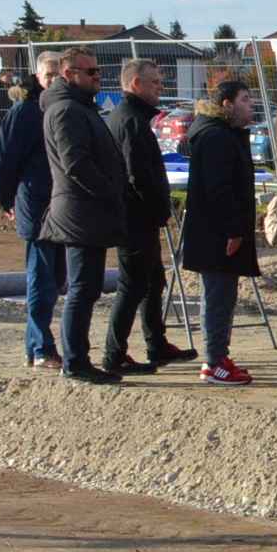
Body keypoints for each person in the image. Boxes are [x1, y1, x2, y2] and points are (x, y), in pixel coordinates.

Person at [35, 48, 127, 385]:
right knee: (81, 289)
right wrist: (108, 190)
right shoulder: (65, 111)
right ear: (70, 73)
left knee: (85, 289)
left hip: (87, 211)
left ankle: (78, 358)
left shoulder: (76, 108)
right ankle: (75, 361)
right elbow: (75, 164)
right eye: (91, 73)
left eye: (98, 71)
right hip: (80, 212)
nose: (97, 77)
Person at [101, 59, 185, 374]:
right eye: (154, 83)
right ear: (136, 84)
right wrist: (157, 207)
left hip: (140, 214)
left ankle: (156, 343)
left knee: (153, 281)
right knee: (133, 284)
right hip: (135, 216)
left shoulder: (132, 117)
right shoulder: (129, 121)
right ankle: (114, 354)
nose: (159, 89)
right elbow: (137, 173)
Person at [178, 78, 261, 387]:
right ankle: (214, 362)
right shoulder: (215, 137)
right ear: (226, 104)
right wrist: (233, 229)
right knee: (218, 296)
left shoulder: (223, 134)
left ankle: (219, 357)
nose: (250, 105)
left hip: (218, 231)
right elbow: (219, 189)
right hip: (217, 234)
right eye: (244, 99)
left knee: (223, 296)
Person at [0, 50, 62, 370]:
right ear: (38, 76)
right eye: (50, 76)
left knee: (57, 278)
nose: (55, 81)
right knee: (42, 279)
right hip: (35, 203)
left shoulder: (62, 109)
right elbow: (4, 160)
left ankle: (42, 345)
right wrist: (6, 200)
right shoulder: (26, 112)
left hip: (62, 204)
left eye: (60, 76)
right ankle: (39, 347)